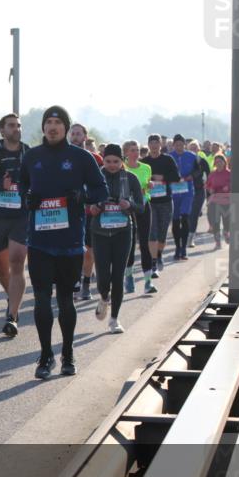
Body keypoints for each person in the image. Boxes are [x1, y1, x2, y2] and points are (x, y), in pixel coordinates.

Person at [18, 107, 107, 379]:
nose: (53, 127)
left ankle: (67, 353)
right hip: (40, 241)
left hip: (69, 241)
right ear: (43, 127)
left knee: (66, 300)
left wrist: (81, 195)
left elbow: (101, 189)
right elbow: (22, 186)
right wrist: (28, 198)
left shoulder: (81, 157)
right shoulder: (32, 156)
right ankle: (45, 356)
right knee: (42, 300)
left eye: (58, 123)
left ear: (66, 128)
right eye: (49, 122)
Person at [0, 112, 31, 337]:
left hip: (21, 216)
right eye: (11, 126)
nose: (16, 129)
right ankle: (12, 297)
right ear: (2, 130)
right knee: (2, 267)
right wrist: (0, 184)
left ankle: (12, 315)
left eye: (18, 125)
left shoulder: (28, 152)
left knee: (17, 260)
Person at [90, 144, 143, 333]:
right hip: (100, 232)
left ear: (122, 162)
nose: (112, 165)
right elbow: (85, 202)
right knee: (103, 276)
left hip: (123, 232)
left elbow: (141, 206)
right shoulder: (96, 177)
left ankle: (114, 320)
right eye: (108, 161)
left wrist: (129, 204)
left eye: (116, 161)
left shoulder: (130, 178)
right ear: (103, 160)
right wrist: (94, 208)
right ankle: (104, 297)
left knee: (118, 275)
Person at [68, 123, 103, 301]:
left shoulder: (96, 159)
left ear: (85, 136)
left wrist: (97, 203)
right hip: (67, 212)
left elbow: (102, 186)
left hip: (90, 211)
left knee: (88, 250)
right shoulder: (61, 157)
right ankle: (73, 283)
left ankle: (86, 284)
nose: (75, 136)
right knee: (72, 251)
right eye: (72, 133)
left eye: (78, 133)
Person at [143, 134, 180, 282]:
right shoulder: (144, 163)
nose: (153, 146)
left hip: (165, 200)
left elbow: (176, 177)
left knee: (162, 233)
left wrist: (162, 178)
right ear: (148, 145)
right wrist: (149, 181)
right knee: (152, 232)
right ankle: (153, 263)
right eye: (151, 143)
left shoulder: (167, 159)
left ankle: (158, 254)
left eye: (156, 143)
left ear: (160, 145)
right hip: (150, 201)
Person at [122, 140, 154, 294]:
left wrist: (149, 186)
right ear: (126, 153)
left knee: (144, 242)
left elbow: (146, 186)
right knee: (130, 243)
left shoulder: (146, 167)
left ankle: (148, 281)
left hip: (144, 206)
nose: (136, 152)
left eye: (137, 149)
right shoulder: (122, 168)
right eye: (132, 150)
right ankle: (129, 277)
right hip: (128, 208)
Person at [168, 134, 197, 261]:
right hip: (173, 191)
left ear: (184, 145)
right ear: (173, 145)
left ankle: (184, 249)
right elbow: (165, 172)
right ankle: (177, 247)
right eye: (176, 145)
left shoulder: (192, 156)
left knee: (184, 217)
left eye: (181, 145)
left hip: (187, 190)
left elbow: (199, 170)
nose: (179, 147)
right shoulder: (169, 157)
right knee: (175, 220)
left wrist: (191, 175)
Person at [185, 139, 210, 247]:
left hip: (199, 190)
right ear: (188, 149)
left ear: (199, 149)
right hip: (185, 190)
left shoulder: (201, 160)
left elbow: (209, 174)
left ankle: (191, 238)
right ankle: (185, 236)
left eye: (195, 148)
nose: (193, 150)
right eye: (191, 148)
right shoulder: (184, 160)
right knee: (186, 215)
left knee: (194, 214)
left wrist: (207, 184)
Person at [205, 154, 231, 248]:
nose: (218, 163)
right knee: (215, 222)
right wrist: (210, 189)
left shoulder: (229, 173)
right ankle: (217, 242)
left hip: (227, 200)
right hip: (215, 200)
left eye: (220, 161)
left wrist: (228, 187)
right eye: (217, 162)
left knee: (227, 220)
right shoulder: (212, 174)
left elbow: (235, 184)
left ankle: (226, 232)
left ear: (224, 162)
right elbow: (207, 185)